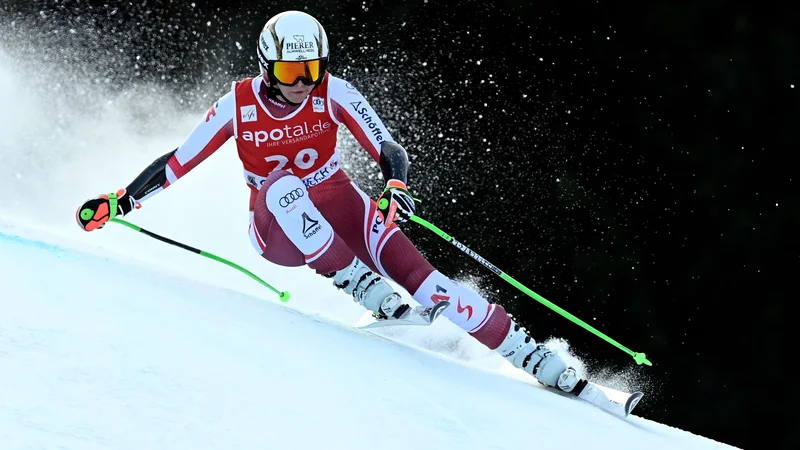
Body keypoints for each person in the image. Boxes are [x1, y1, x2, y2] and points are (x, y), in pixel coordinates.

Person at [75, 10, 588, 398]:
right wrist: (122, 202)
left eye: (312, 69)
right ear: (267, 66)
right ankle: (360, 287)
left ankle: (533, 357)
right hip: (276, 226)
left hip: (341, 202)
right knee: (283, 184)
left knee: (430, 282)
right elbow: (177, 162)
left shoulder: (333, 91)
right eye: (292, 71)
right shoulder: (237, 104)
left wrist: (395, 187)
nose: (303, 83)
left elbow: (388, 147)